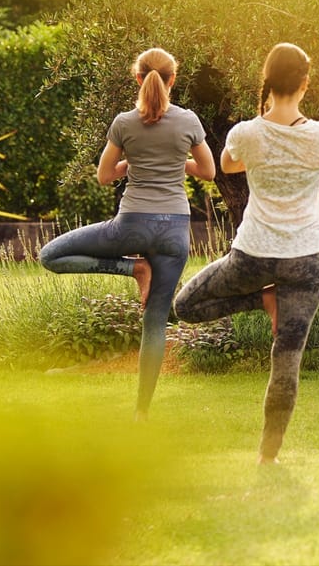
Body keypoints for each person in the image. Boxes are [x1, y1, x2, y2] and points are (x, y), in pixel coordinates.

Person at [174, 43, 319, 463]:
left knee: (185, 306)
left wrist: (266, 154)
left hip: (253, 256)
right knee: (287, 360)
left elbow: (229, 166)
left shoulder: (246, 133)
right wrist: (313, 153)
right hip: (307, 262)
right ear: (305, 83)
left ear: (267, 82)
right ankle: (268, 456)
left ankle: (262, 300)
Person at [39, 48, 216, 421]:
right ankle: (141, 413)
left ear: (137, 78)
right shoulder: (188, 120)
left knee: (50, 255)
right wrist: (176, 162)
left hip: (131, 226)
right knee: (155, 322)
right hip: (174, 232)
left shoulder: (124, 123)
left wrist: (131, 162)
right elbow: (208, 171)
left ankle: (133, 269)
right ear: (172, 79)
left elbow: (105, 176)